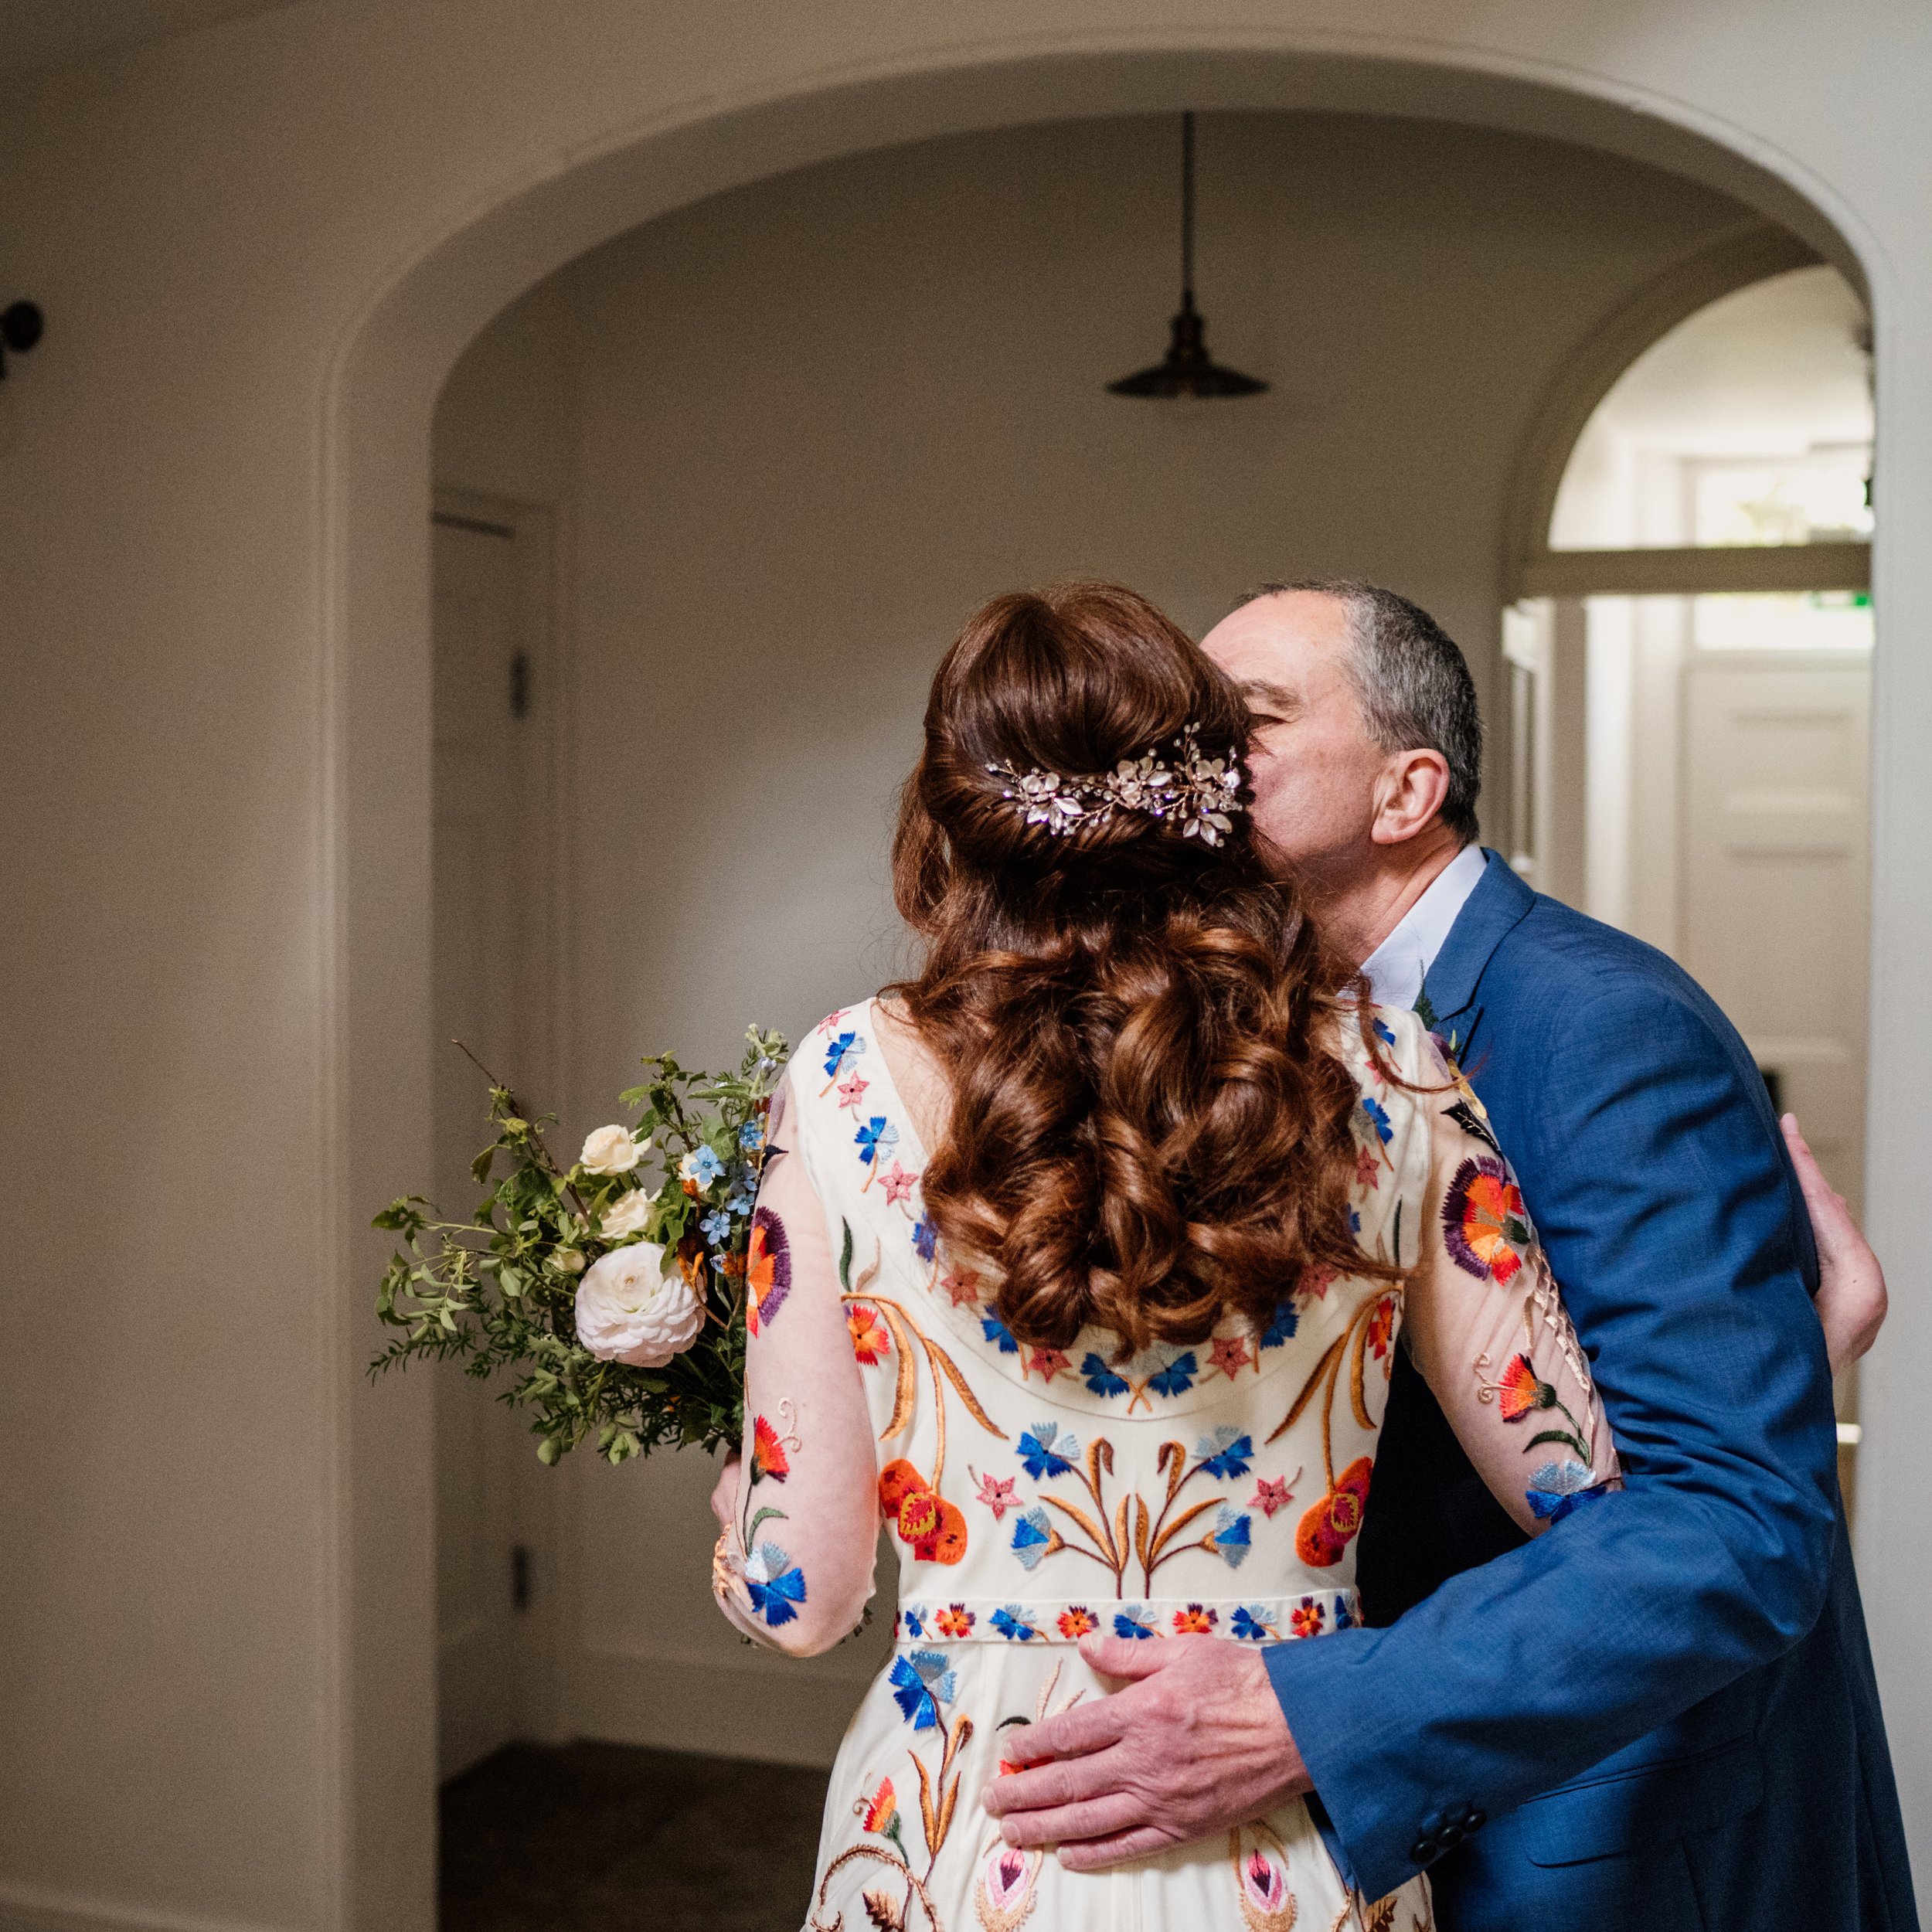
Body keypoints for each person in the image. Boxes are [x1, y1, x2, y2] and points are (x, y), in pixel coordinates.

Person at [982, 581, 1913, 1932]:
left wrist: (1314, 1714)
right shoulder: (1238, 1038)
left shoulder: (1599, 1028)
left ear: (1406, 789)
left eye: (1244, 725)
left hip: (1609, 1831)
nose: (1192, 763)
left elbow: (1736, 1517)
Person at [709, 582, 1624, 1930]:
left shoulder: (846, 1081)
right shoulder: (1388, 1070)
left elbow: (802, 1594)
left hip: (965, 1827)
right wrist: (1818, 1333)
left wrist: (744, 1515)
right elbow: (1588, 1495)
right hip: (1293, 1826)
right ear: (1216, 812)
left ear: (946, 823)